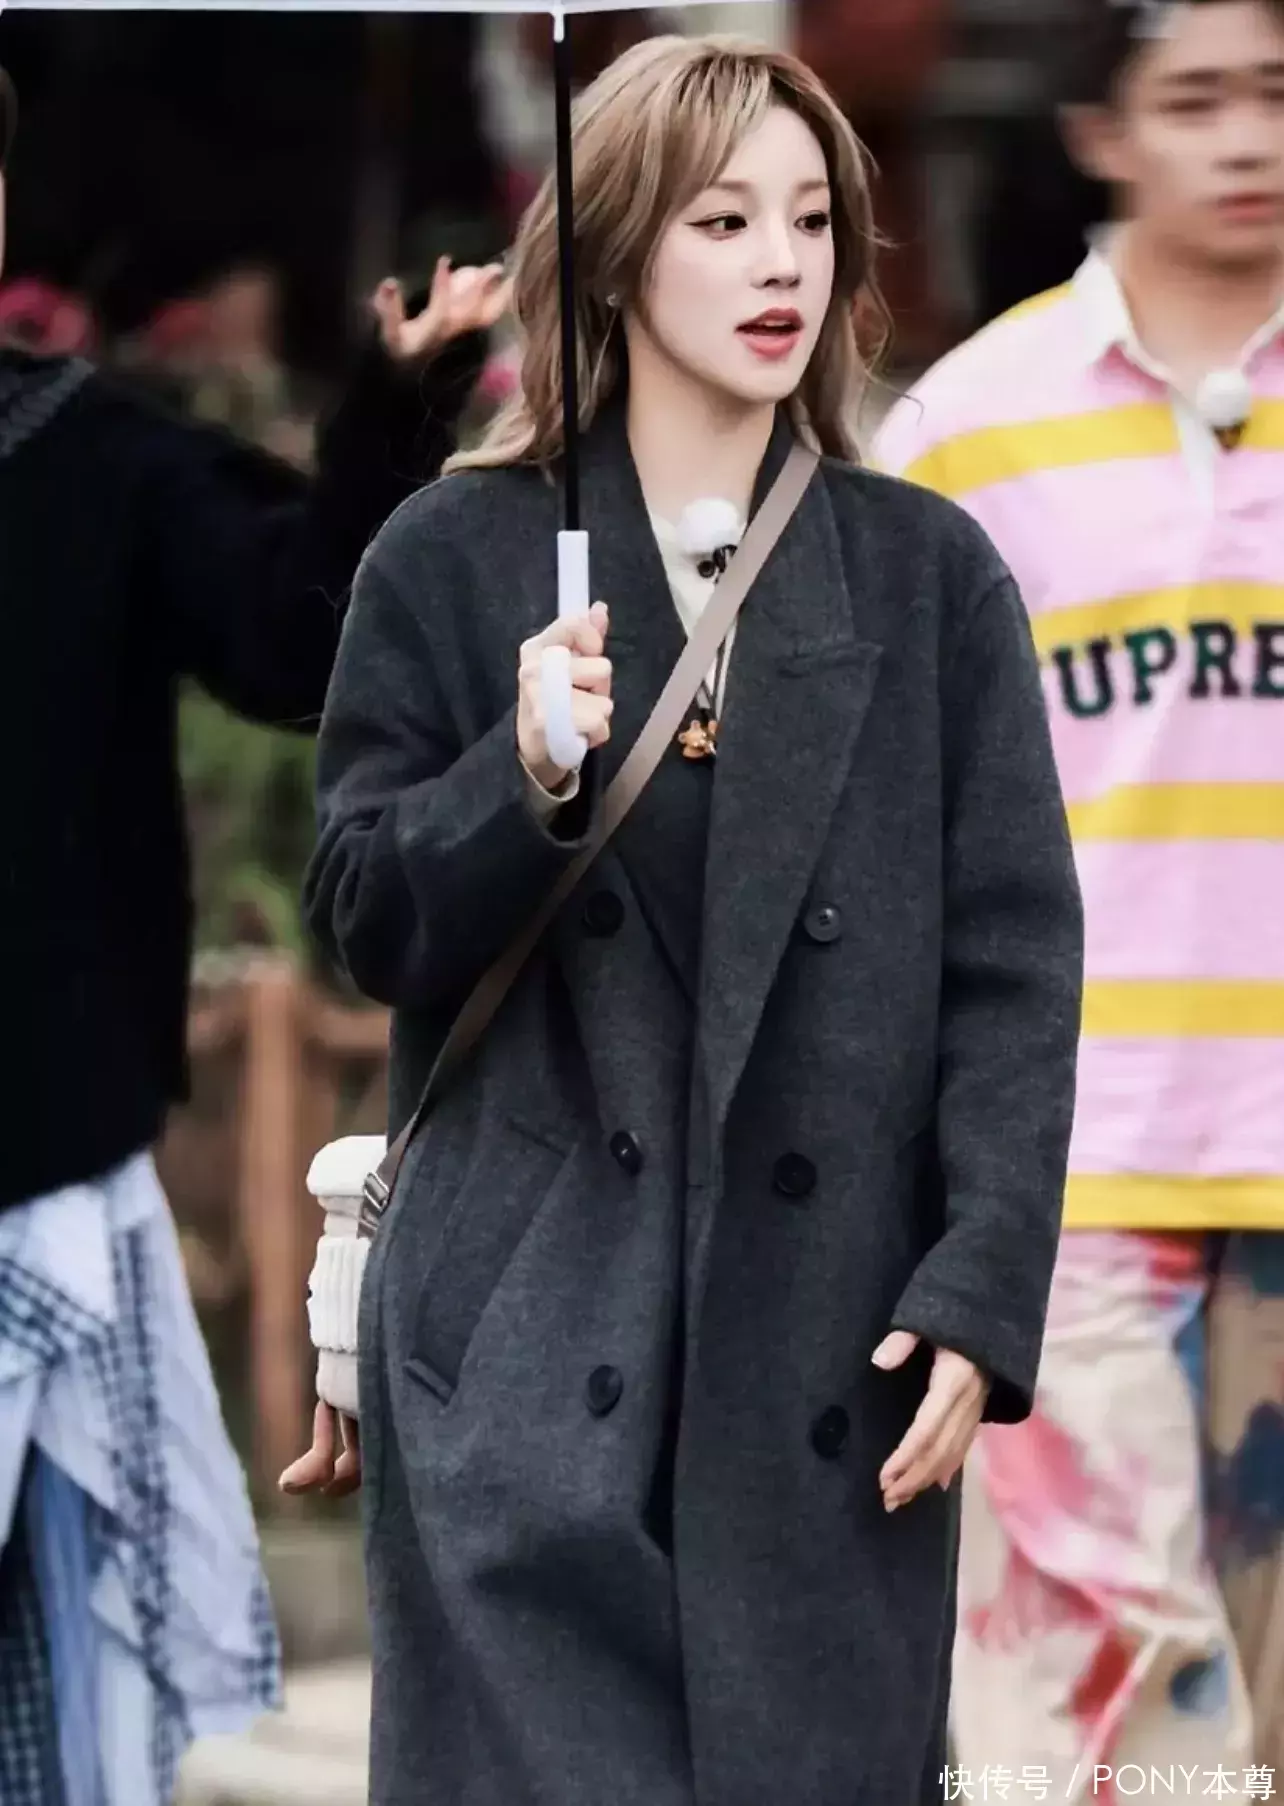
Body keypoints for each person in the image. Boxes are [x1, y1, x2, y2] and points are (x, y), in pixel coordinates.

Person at [293, 34, 1083, 1806]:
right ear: (616, 249)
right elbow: (365, 918)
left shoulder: (927, 577)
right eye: (723, 221)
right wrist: (515, 775)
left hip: (827, 1352)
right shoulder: (452, 557)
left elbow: (1013, 964)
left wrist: (981, 1280)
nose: (782, 263)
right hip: (519, 1356)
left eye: (811, 218)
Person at [0, 62, 509, 1806]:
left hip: (38, 1187)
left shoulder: (88, 457)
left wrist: (395, 411)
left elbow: (300, 639)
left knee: (61, 1708)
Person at [874, 0, 1284, 1793]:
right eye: (1194, 100)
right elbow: (888, 811)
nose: (1247, 137)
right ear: (1102, 134)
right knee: (1105, 1730)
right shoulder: (969, 429)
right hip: (1073, 1171)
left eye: (1276, 92)